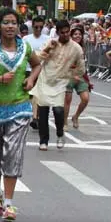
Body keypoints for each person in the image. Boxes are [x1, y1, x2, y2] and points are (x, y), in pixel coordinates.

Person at [0, 8, 40, 222]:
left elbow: (37, 64)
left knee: (13, 153)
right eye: (6, 23)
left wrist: (31, 80)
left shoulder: (25, 47)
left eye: (13, 23)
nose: (10, 26)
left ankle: (9, 203)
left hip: (19, 107)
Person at [30, 19, 84, 151]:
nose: (65, 35)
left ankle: (60, 133)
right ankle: (43, 141)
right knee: (43, 111)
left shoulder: (76, 48)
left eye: (67, 32)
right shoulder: (51, 43)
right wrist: (49, 48)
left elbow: (81, 67)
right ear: (58, 32)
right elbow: (38, 59)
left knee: (58, 110)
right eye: (62, 33)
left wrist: (74, 75)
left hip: (61, 81)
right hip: (45, 80)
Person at [63, 25, 91, 130]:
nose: (78, 36)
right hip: (68, 75)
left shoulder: (83, 47)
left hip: (80, 76)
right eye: (75, 34)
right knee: (67, 100)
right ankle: (65, 122)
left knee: (85, 98)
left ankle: (76, 116)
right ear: (71, 36)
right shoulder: (67, 46)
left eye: (79, 34)